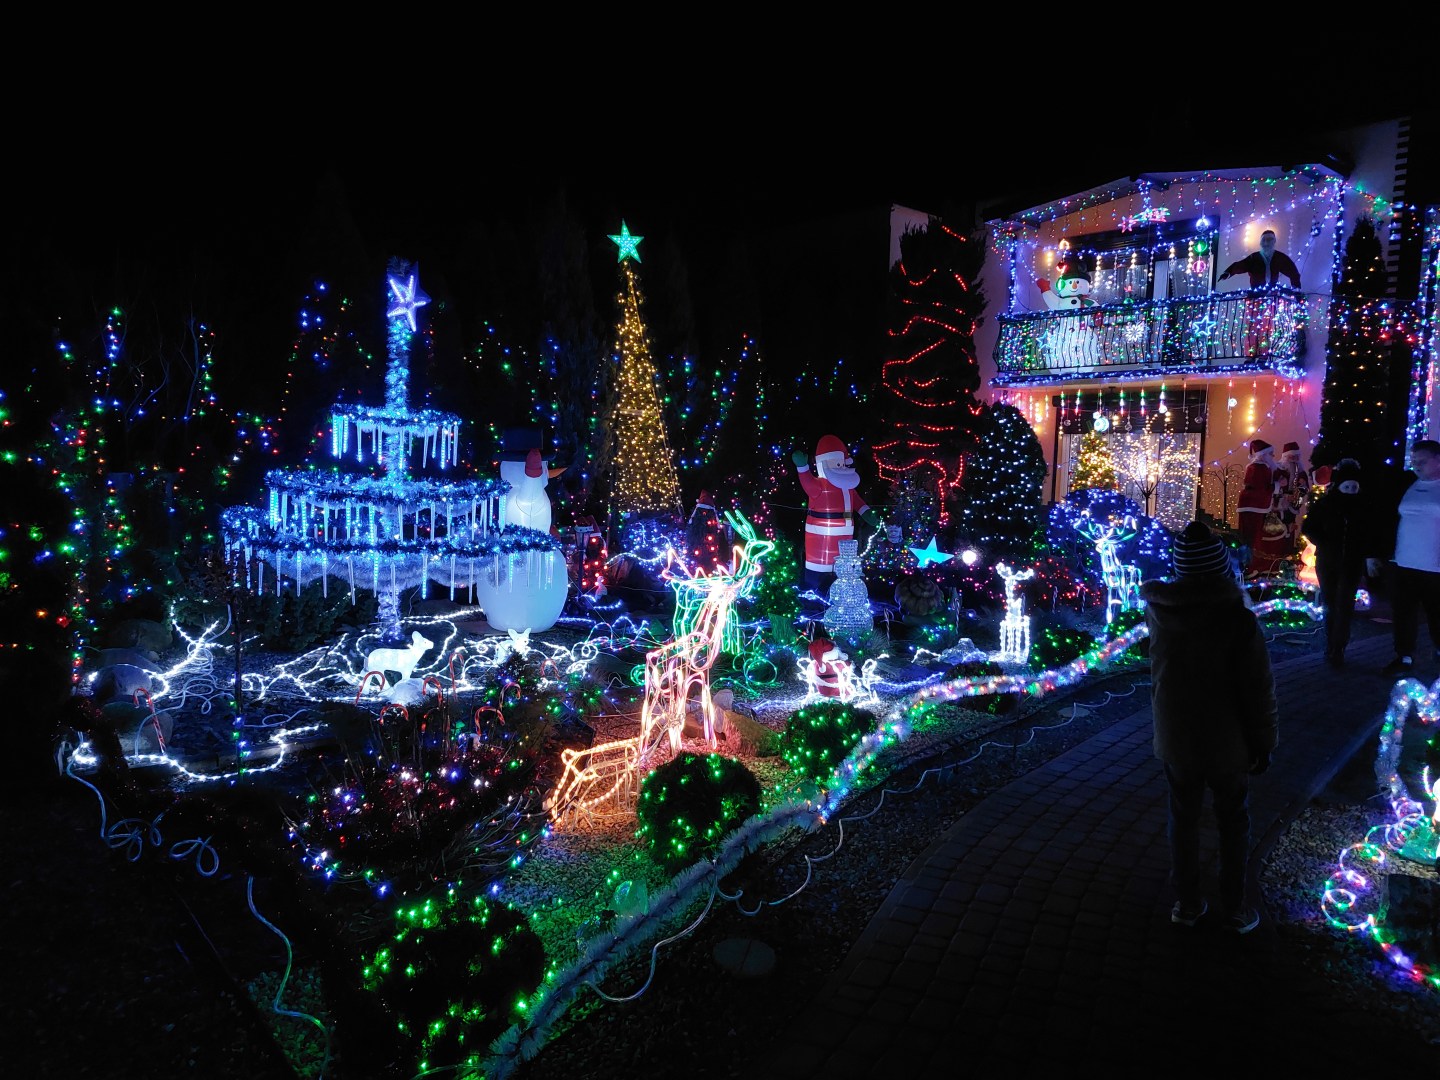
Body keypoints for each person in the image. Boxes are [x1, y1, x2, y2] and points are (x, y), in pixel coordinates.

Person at [1142, 521, 1278, 934]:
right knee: (1233, 820)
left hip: (1177, 736)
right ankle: (1234, 906)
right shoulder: (1237, 622)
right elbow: (1258, 690)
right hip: (1227, 741)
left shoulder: (1160, 612)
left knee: (1182, 818)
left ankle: (1186, 902)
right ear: (1221, 568)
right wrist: (1264, 743)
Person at [1369, 439, 1440, 676]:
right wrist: (1379, 552)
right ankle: (1404, 656)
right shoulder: (1407, 484)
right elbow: (1387, 517)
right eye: (1414, 460)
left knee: (1437, 612)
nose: (1416, 465)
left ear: (1438, 460)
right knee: (1403, 613)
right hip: (1403, 562)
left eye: (1422, 461)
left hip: (1435, 566)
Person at [1301, 459, 1374, 668]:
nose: (1351, 491)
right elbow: (1309, 527)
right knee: (1330, 603)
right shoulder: (1325, 505)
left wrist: (1367, 555)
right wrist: (1324, 542)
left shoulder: (1363, 507)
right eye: (1347, 487)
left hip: (1352, 563)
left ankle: (1339, 645)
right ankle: (1330, 642)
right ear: (1338, 486)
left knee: (1344, 604)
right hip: (1328, 561)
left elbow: (1368, 534)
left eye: (1354, 487)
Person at [792, 435, 883, 592]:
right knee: (820, 561)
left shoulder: (848, 486)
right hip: (820, 534)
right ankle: (815, 587)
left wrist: (867, 513)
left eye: (842, 463)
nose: (841, 467)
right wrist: (802, 468)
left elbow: (858, 502)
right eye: (837, 463)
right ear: (823, 463)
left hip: (845, 532)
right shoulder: (819, 485)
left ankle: (840, 587)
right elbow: (807, 482)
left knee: (841, 561)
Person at [1237, 439, 1278, 572]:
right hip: (1253, 506)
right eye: (1271, 454)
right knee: (1251, 537)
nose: (1273, 456)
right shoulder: (1258, 467)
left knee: (1252, 537)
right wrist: (1278, 485)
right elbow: (1259, 487)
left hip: (1255, 506)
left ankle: (1250, 565)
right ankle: (1248, 566)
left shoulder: (1261, 467)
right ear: (1264, 455)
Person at [1218, 229, 1302, 289]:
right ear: (1260, 242)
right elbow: (1240, 265)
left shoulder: (1279, 257)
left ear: (1274, 241)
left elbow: (1293, 272)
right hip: (1255, 296)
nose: (1266, 243)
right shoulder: (1254, 258)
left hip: (1272, 295)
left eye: (1269, 240)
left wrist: (1296, 290)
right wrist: (1228, 272)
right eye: (1264, 240)